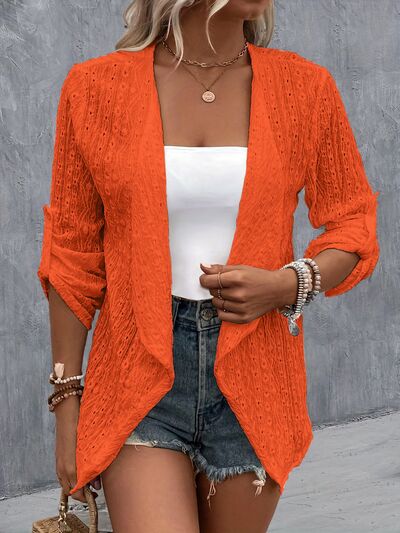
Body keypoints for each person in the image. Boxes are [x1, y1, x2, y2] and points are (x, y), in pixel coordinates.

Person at [37, 1, 380, 531]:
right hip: (136, 375)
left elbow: (353, 224)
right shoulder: (95, 89)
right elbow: (71, 255)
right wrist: (67, 403)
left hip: (255, 377)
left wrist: (286, 284)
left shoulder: (305, 88)